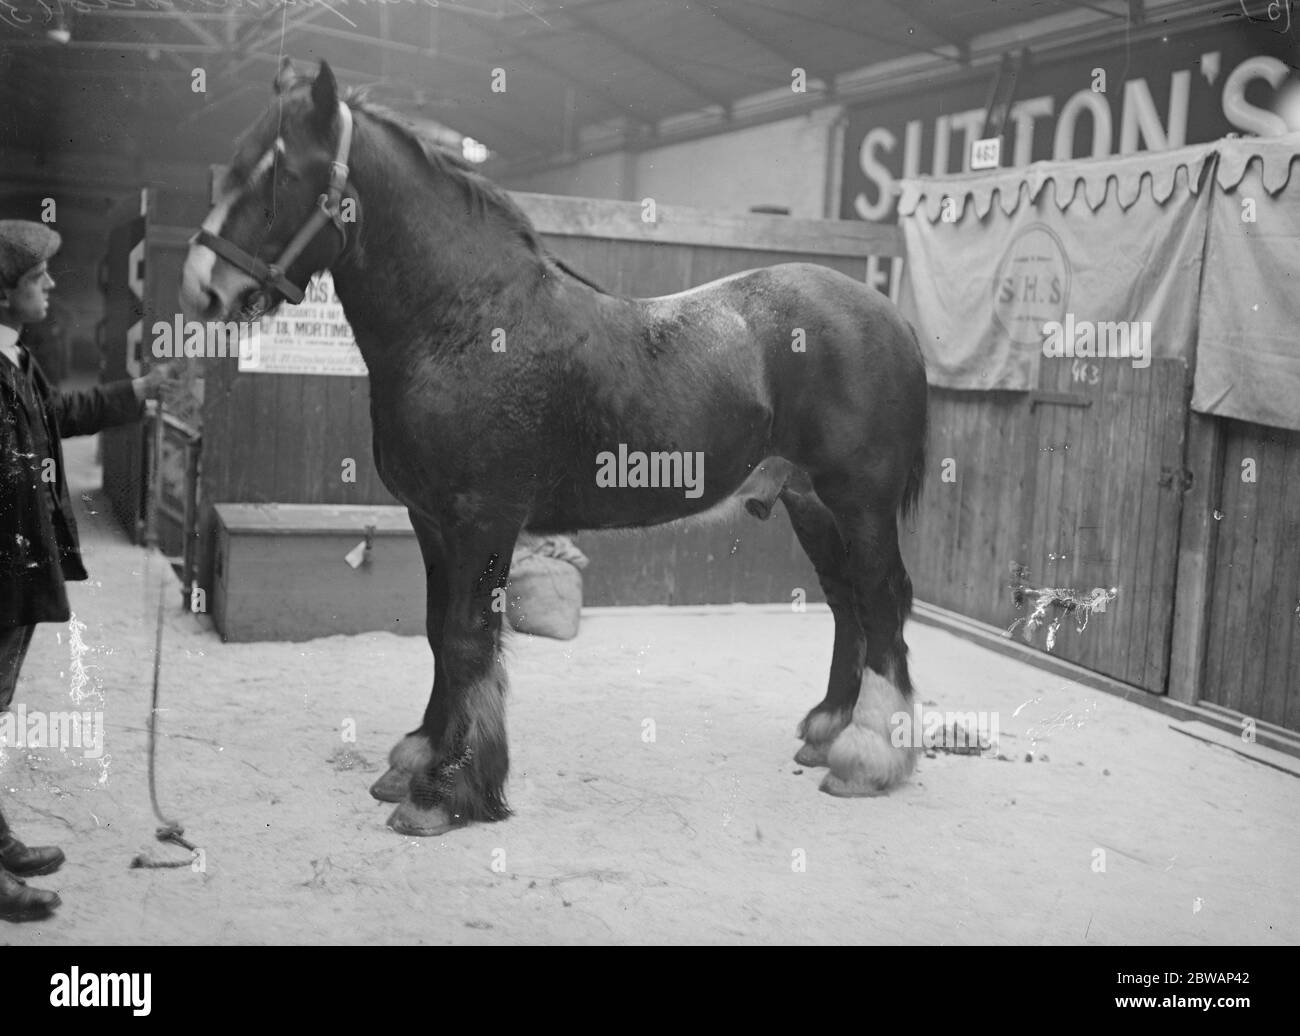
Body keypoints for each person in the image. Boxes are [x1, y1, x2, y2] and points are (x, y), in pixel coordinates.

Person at [0, 220, 169, 922]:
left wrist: (138, 391)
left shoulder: (13, 355)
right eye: (38, 279)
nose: (51, 287)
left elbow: (56, 414)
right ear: (4, 291)